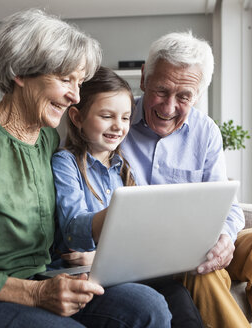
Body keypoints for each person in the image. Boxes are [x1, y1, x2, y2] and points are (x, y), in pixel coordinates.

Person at [0, 9, 172, 328]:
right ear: (20, 72)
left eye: (79, 81)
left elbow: (49, 228)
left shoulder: (46, 138)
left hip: (41, 276)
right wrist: (34, 293)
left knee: (149, 306)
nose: (75, 96)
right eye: (65, 80)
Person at [121, 31, 252, 328]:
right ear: (144, 78)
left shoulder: (205, 131)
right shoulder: (114, 121)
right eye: (161, 90)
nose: (169, 107)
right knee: (202, 271)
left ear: (197, 95)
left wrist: (225, 238)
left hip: (201, 244)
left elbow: (228, 206)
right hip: (151, 257)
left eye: (184, 96)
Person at [51, 66, 204, 328]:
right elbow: (73, 229)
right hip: (80, 273)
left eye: (125, 118)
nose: (118, 126)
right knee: (154, 301)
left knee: (177, 293)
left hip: (118, 271)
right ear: (76, 117)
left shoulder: (121, 167)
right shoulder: (66, 162)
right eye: (107, 116)